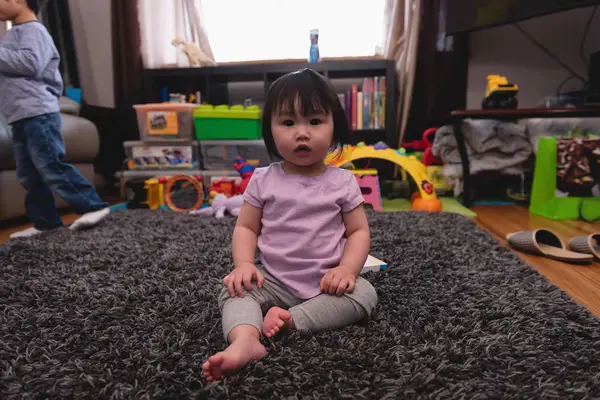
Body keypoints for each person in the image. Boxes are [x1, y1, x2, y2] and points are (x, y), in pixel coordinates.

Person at [202, 69, 378, 381]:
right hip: (274, 280)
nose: (302, 133)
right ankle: (246, 339)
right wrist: (243, 264)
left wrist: (347, 270)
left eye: (314, 121)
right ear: (269, 130)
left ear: (334, 126)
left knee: (365, 294)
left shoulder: (343, 182)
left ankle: (292, 320)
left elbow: (358, 232)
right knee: (233, 289)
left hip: (328, 282)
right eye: (288, 123)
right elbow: (246, 228)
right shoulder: (263, 180)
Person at [0, 0, 110, 238]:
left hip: (38, 112)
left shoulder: (33, 30)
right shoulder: (14, 34)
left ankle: (93, 205)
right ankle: (45, 221)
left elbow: (30, 63)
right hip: (19, 115)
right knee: (29, 174)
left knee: (50, 164)